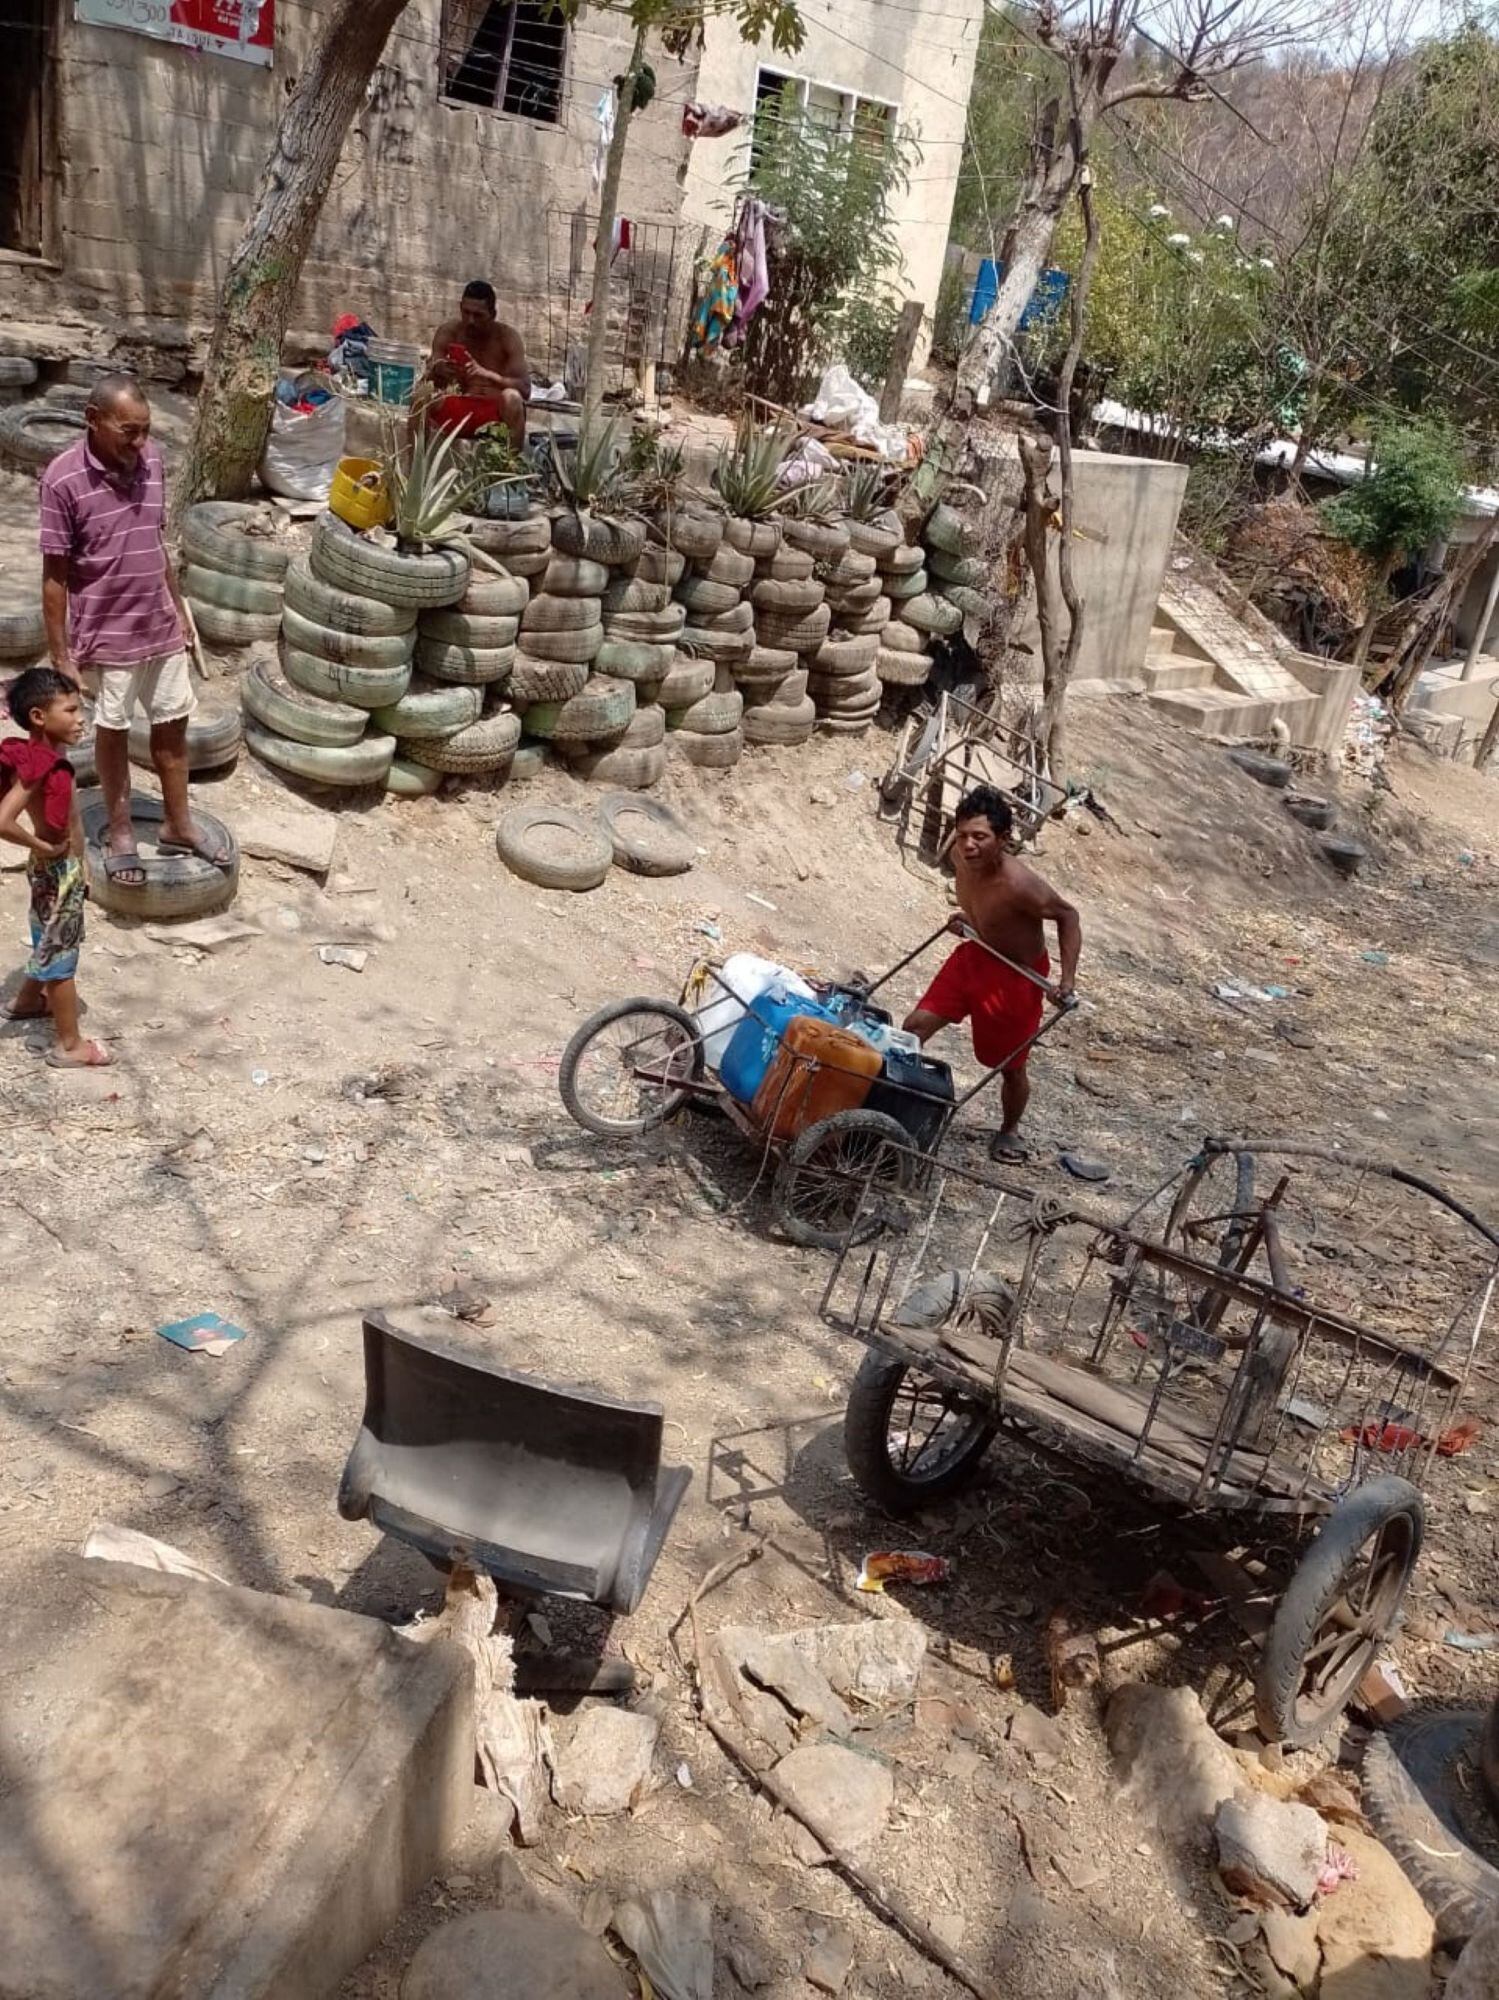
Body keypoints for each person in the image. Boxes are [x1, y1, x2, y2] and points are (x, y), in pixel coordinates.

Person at [38, 373, 230, 886]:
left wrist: (177, 609)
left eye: (145, 430)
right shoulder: (62, 479)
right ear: (92, 421)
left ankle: (178, 823)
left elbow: (155, 543)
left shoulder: (154, 464)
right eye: (129, 431)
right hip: (108, 633)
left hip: (160, 625)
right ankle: (120, 829)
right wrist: (61, 655)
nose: (140, 442)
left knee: (173, 728)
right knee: (114, 732)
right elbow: (55, 576)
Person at [903, 786, 1081, 1160]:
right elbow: (987, 907)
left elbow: (1068, 916)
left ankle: (1009, 1130)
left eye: (980, 837)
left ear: (1002, 839)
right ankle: (890, 1097)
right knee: (914, 1027)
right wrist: (970, 919)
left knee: (1009, 1067)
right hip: (975, 956)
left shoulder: (1020, 883)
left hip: (1016, 977)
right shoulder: (958, 856)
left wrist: (1066, 981)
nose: (968, 845)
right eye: (964, 834)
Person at [0, 666, 109, 1068]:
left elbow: (74, 818)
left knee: (47, 934)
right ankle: (69, 1045)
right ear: (38, 717)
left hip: (62, 868)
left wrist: (84, 865)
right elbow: (3, 820)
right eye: (70, 710)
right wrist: (40, 844)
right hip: (56, 869)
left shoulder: (49, 757)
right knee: (63, 956)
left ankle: (27, 1000)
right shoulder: (39, 765)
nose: (81, 718)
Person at [423, 280, 531, 449]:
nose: (470, 320)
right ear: (460, 307)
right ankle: (413, 469)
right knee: (421, 394)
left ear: (493, 314)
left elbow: (525, 390)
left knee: (512, 398)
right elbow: (427, 376)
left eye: (478, 315)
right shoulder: (449, 332)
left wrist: (487, 374)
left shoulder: (507, 338)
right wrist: (438, 370)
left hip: (493, 415)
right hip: (459, 409)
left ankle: (510, 470)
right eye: (466, 313)